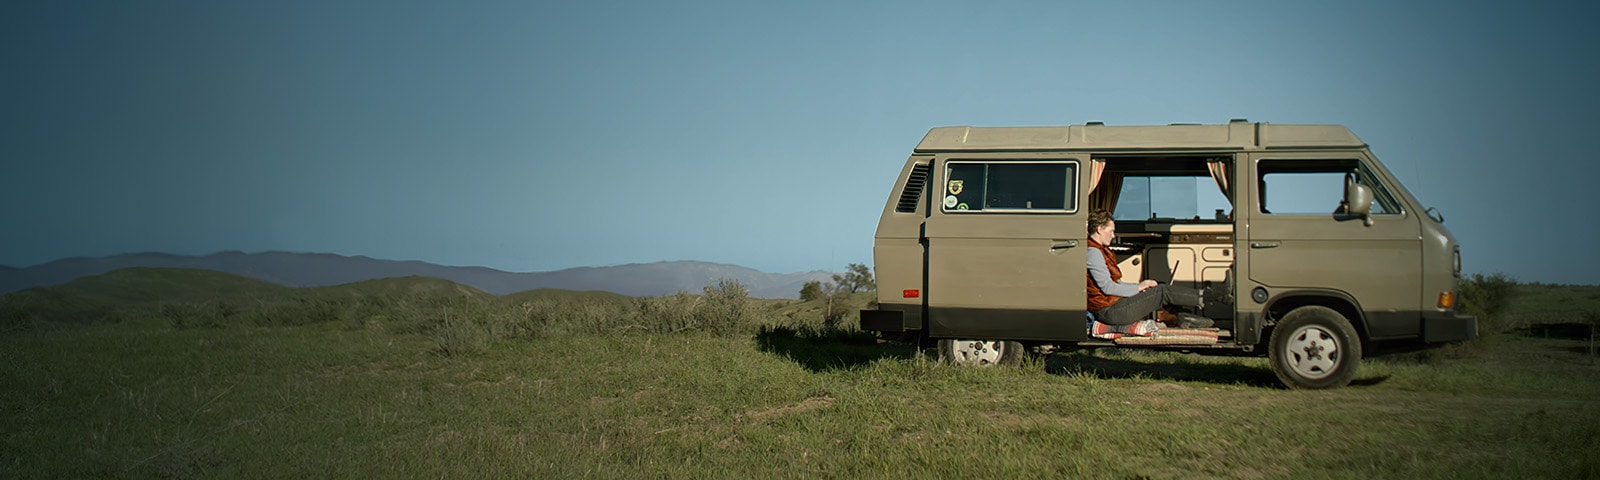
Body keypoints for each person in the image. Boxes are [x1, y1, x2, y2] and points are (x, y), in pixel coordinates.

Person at [1085, 209, 1213, 328]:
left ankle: (1185, 317)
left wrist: (1141, 288)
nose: (1113, 235)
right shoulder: (1093, 252)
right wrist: (1139, 287)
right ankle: (1211, 296)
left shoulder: (1100, 250)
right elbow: (1108, 288)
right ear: (1100, 229)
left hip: (1113, 306)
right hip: (1109, 311)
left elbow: (1117, 283)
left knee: (1157, 286)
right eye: (1111, 231)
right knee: (1162, 292)